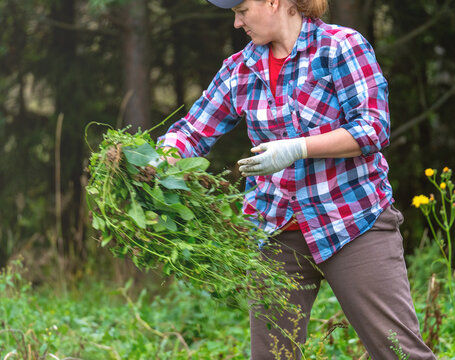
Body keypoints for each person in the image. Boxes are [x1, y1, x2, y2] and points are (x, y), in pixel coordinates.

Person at [157, 0, 437, 358]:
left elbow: (372, 128)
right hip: (275, 234)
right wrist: (155, 159)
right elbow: (193, 132)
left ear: (274, 2)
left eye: (242, 10)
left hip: (352, 223)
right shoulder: (240, 69)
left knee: (399, 353)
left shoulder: (340, 47)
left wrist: (300, 148)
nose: (237, 23)